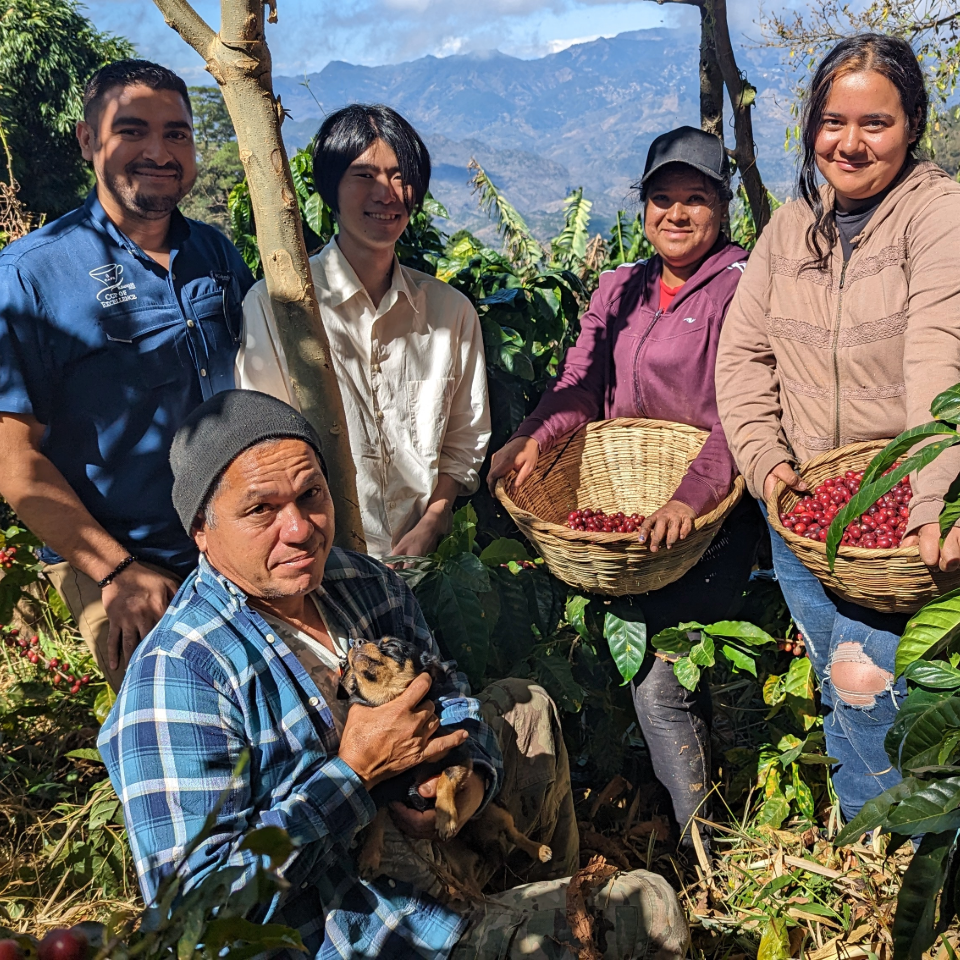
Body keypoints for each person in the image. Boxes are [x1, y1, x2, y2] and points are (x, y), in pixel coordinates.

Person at [97, 389, 688, 960]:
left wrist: (471, 777)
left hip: (431, 844)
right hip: (356, 925)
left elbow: (450, 692)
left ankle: (544, 901)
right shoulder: (179, 677)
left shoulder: (362, 584)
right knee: (650, 913)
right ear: (201, 530)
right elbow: (194, 919)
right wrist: (353, 776)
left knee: (523, 705)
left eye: (312, 496)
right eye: (261, 510)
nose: (300, 528)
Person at [487, 126, 759, 846]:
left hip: (708, 522)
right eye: (662, 198)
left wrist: (690, 497)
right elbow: (578, 385)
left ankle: (704, 846)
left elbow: (745, 415)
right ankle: (685, 819)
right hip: (628, 510)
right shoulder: (622, 287)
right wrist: (533, 439)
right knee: (651, 677)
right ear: (642, 207)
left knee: (661, 685)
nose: (676, 213)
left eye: (695, 199)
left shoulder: (742, 290)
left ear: (721, 209)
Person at [716, 34, 960, 820]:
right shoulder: (791, 231)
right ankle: (867, 838)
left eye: (875, 123)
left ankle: (915, 846)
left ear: (913, 125)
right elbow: (743, 357)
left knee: (895, 687)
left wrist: (931, 498)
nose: (849, 143)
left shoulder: (938, 216)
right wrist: (767, 465)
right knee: (843, 678)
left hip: (901, 524)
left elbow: (938, 357)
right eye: (832, 121)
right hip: (806, 512)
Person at [0, 59, 254, 691]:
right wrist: (115, 572)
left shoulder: (214, 252)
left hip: (231, 547)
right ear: (88, 140)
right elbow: (13, 459)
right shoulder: (30, 276)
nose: (158, 152)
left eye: (177, 133)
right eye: (133, 130)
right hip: (121, 562)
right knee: (175, 752)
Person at [237, 104, 490, 560]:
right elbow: (267, 445)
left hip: (425, 562)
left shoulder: (450, 313)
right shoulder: (279, 307)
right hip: (321, 564)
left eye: (399, 176)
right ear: (329, 187)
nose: (387, 193)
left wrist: (433, 522)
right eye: (363, 175)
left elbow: (464, 440)